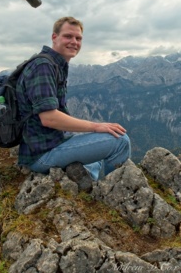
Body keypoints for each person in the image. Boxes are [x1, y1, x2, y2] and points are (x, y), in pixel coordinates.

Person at [15, 16, 131, 185]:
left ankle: (85, 178)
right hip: (42, 154)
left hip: (52, 143)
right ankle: (112, 193)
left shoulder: (55, 64)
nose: (74, 42)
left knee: (97, 153)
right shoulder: (43, 66)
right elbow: (49, 118)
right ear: (54, 37)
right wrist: (96, 126)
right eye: (68, 36)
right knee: (121, 141)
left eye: (78, 38)